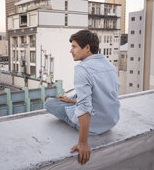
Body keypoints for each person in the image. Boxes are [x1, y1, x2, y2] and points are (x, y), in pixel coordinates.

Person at [45, 30, 120, 165]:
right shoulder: (109, 65)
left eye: (74, 47)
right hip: (111, 120)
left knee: (50, 103)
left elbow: (85, 107)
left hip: (94, 126)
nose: (71, 51)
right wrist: (73, 100)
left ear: (87, 48)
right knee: (77, 94)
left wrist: (83, 143)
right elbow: (103, 95)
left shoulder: (82, 69)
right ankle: (70, 100)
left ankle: (63, 101)